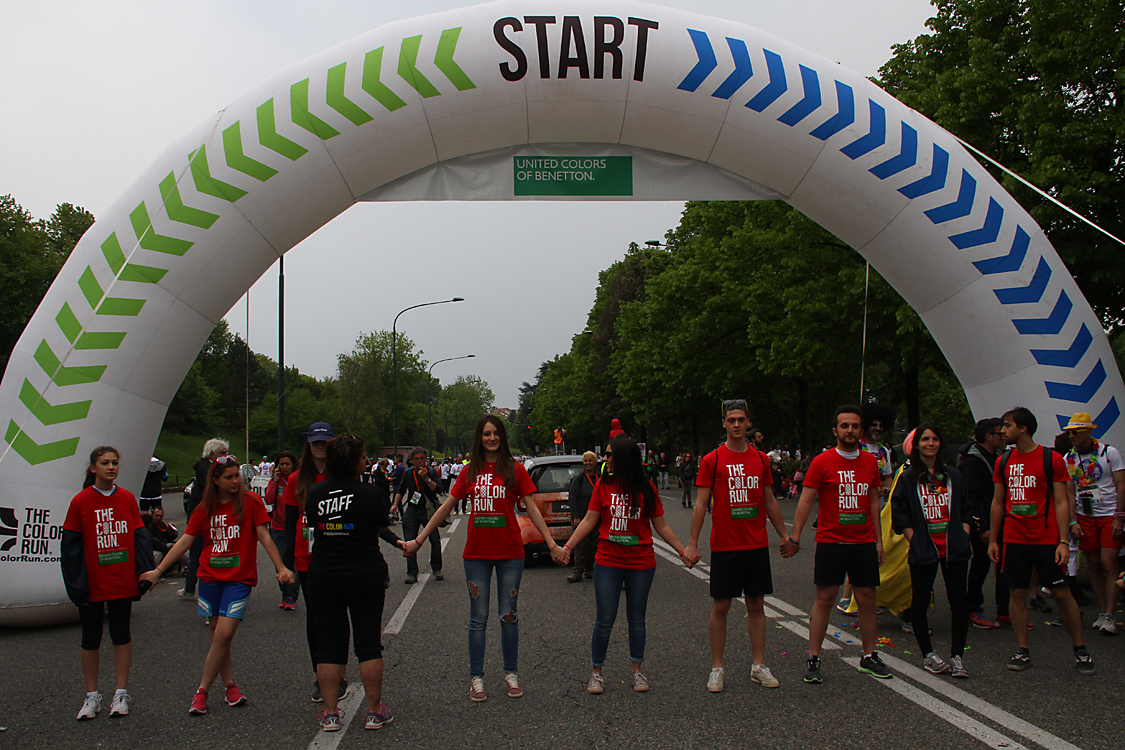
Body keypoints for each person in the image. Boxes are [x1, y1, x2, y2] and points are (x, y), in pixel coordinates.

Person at [406, 415, 564, 702]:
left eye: (496, 434)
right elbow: (445, 509)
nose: (491, 438)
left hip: (510, 554)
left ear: (502, 437)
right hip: (476, 555)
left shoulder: (515, 470)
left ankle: (511, 674)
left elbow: (532, 509)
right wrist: (419, 540)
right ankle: (476, 678)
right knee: (478, 618)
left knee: (509, 616)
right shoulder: (469, 472)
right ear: (479, 438)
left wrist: (552, 544)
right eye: (486, 434)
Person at [140, 455, 294, 714]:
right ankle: (230, 687)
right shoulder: (203, 509)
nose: (235, 481)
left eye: (237, 476)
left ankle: (201, 691)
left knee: (223, 635)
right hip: (210, 578)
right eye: (229, 477)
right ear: (215, 480)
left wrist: (281, 568)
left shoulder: (250, 503)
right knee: (218, 639)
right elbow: (184, 542)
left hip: (239, 579)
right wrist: (158, 571)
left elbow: (265, 537)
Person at [565, 435, 694, 695]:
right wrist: (567, 547)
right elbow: (590, 521)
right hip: (608, 561)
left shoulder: (646, 488)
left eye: (610, 454)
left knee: (637, 619)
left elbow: (661, 525)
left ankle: (637, 671)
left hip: (641, 563)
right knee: (605, 619)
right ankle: (596, 672)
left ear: (623, 457)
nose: (605, 459)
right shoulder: (603, 485)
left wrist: (683, 550)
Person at [684, 399, 792, 693]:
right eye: (731, 420)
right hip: (725, 546)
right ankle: (717, 668)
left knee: (757, 605)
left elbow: (769, 499)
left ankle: (758, 665)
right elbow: (701, 504)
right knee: (721, 606)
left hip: (755, 544)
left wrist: (784, 535)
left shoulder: (759, 459)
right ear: (724, 423)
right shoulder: (712, 460)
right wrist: (692, 544)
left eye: (741, 420)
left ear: (748, 422)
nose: (736, 424)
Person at [304, 434, 404, 732]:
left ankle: (331, 712)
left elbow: (313, 527)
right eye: (362, 456)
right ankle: (374, 711)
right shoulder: (371, 493)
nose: (366, 461)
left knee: (329, 646)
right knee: (369, 644)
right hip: (364, 573)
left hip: (324, 574)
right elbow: (379, 522)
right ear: (353, 461)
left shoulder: (315, 493)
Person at [783, 406, 889, 682]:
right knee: (825, 599)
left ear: (861, 431)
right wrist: (794, 537)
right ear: (836, 431)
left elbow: (874, 501)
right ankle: (814, 658)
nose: (850, 431)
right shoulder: (822, 462)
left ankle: (868, 655)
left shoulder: (869, 463)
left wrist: (879, 541)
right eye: (845, 426)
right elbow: (805, 500)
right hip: (831, 541)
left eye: (855, 426)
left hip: (864, 542)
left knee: (866, 599)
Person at [988, 407, 1094, 674]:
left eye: (1008, 425)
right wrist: (993, 540)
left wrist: (1063, 541)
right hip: (1014, 538)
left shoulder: (1051, 458)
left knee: (1060, 592)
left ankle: (1080, 648)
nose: (1003, 430)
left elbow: (1061, 501)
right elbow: (998, 502)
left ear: (1023, 428)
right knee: (1018, 592)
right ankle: (1022, 650)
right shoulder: (1003, 461)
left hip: (1046, 539)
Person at [62, 446, 155, 720]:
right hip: (92, 583)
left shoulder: (127, 499)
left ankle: (120, 693)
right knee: (90, 638)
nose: (111, 467)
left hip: (122, 581)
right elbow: (70, 548)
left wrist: (145, 574)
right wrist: (76, 585)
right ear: (93, 468)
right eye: (105, 463)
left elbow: (140, 538)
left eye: (115, 463)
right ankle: (91, 696)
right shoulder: (80, 501)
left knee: (121, 635)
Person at [890, 423, 974, 677]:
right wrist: (914, 539)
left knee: (959, 602)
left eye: (935, 439)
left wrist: (964, 533)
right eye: (925, 439)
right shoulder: (907, 478)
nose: (930, 443)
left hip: (954, 548)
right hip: (924, 548)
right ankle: (928, 654)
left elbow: (966, 508)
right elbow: (900, 513)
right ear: (916, 446)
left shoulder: (953, 476)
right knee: (920, 601)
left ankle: (957, 655)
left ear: (941, 444)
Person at [282, 422, 346, 702]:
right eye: (315, 442)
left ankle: (339, 675)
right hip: (307, 558)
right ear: (308, 446)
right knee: (316, 618)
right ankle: (320, 675)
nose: (320, 447)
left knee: (338, 616)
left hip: (338, 555)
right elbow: (290, 523)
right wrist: (285, 565)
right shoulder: (296, 479)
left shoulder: (342, 476)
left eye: (325, 442)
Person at [1063, 412, 1125, 635]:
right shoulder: (1068, 458)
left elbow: (1121, 485)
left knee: (1109, 563)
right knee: (1094, 565)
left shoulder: (1109, 453)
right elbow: (1069, 493)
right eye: (1069, 432)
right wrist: (1072, 522)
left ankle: (1110, 613)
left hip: (1109, 514)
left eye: (1076, 432)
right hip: (1084, 516)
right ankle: (1103, 610)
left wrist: (1119, 516)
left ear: (1089, 432)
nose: (1071, 436)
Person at [958, 418, 1005, 629]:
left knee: (1004, 565)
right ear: (988, 436)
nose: (1003, 437)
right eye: (999, 433)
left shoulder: (999, 457)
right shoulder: (972, 462)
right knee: (981, 564)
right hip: (983, 523)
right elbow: (971, 497)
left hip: (1001, 520)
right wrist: (982, 527)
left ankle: (1005, 610)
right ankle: (973, 607)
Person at [391, 447, 443, 584]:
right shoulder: (408, 474)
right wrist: (395, 504)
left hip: (428, 511)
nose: (420, 461)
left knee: (435, 541)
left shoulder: (431, 472)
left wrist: (426, 479)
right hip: (412, 510)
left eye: (422, 458)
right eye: (417, 459)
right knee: (409, 542)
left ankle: (437, 569)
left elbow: (439, 489)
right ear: (412, 461)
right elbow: (401, 490)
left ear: (425, 459)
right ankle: (412, 573)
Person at [266, 450, 298, 609]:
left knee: (293, 564)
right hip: (278, 527)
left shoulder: (297, 480)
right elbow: (268, 499)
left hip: (295, 527)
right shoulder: (276, 482)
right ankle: (284, 593)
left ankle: (291, 596)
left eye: (287, 464)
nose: (284, 467)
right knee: (280, 564)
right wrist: (274, 480)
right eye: (282, 464)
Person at [566, 452, 601, 583]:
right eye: (585, 460)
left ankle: (590, 570)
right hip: (582, 518)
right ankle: (577, 571)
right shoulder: (579, 479)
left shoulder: (600, 478)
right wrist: (575, 517)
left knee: (595, 544)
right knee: (581, 545)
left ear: (595, 462)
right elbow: (572, 498)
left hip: (598, 519)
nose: (587, 463)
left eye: (590, 460)